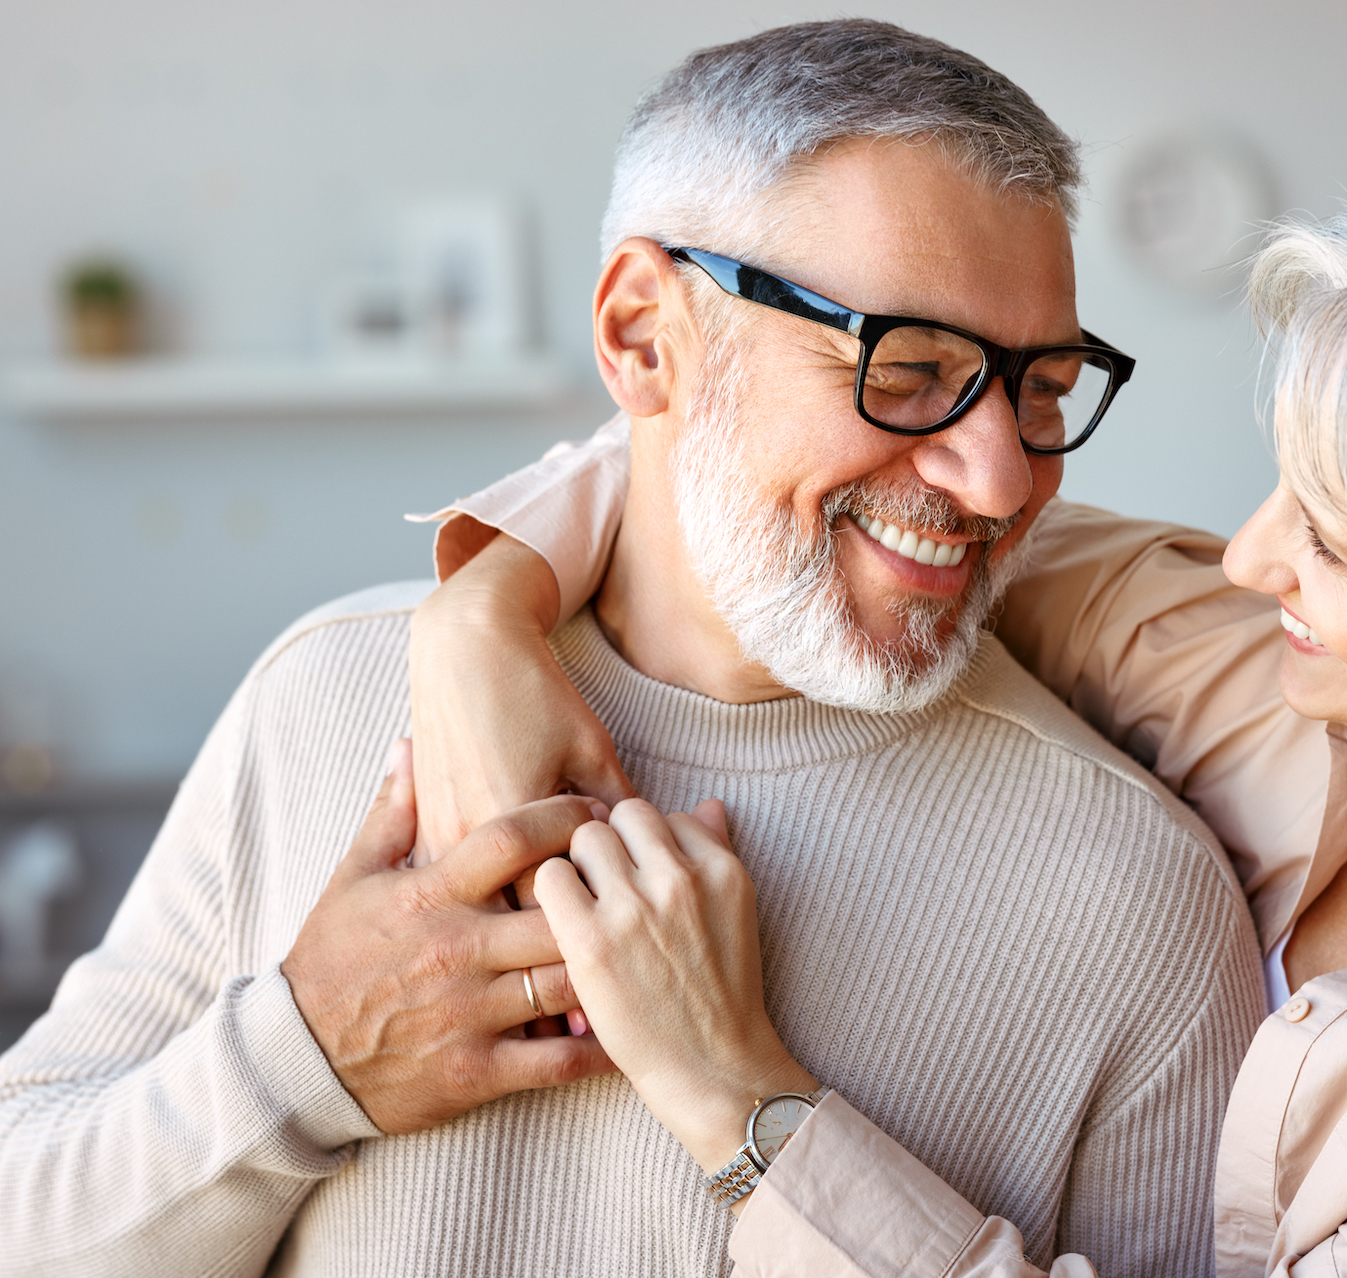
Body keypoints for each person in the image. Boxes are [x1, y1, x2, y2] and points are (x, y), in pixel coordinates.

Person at [413, 178, 1347, 1275]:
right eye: (1279, 485)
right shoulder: (1274, 674)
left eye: (1332, 541)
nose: (1247, 560)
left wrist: (738, 1096)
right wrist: (484, 608)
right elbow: (849, 501)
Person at [0, 23, 1264, 1277]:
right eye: (911, 367)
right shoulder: (324, 694)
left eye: (1040, 391)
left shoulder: (1136, 903)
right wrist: (307, 1058)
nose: (998, 484)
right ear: (643, 336)